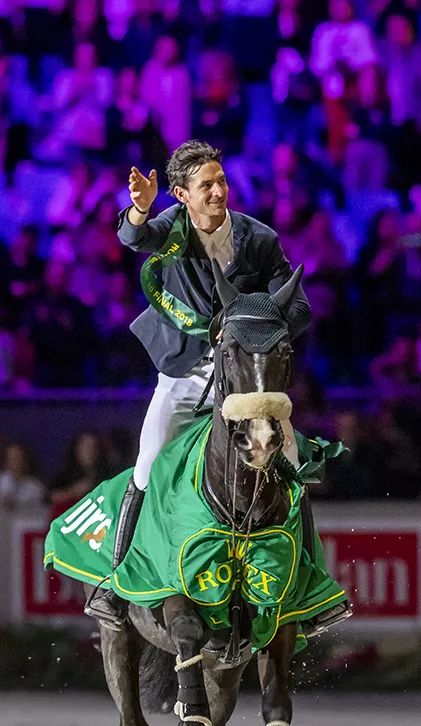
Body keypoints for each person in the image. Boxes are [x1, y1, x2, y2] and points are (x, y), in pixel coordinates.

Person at [86, 138, 347, 636]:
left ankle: (313, 596)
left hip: (246, 380)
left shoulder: (259, 238)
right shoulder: (172, 229)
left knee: (295, 467)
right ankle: (115, 586)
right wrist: (140, 210)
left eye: (221, 181)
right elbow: (132, 239)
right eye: (206, 185)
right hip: (185, 377)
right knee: (145, 464)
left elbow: (299, 308)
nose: (218, 191)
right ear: (181, 194)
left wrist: (257, 326)